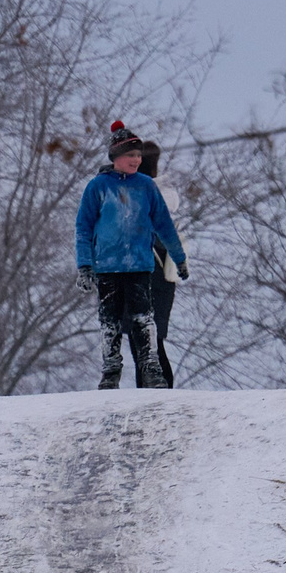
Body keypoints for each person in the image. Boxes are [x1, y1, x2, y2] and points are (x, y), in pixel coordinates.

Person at [76, 122, 186, 390]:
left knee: (144, 324)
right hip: (109, 266)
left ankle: (152, 377)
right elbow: (84, 227)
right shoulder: (100, 187)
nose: (136, 160)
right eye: (131, 155)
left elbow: (165, 224)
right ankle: (114, 372)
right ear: (116, 157)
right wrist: (85, 265)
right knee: (112, 322)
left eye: (139, 156)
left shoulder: (148, 188)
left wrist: (179, 257)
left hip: (143, 267)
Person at [136, 141, 183, 386]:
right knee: (145, 340)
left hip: (150, 273)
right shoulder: (160, 193)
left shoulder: (153, 195)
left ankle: (157, 391)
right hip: (152, 274)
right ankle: (150, 391)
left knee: (147, 340)